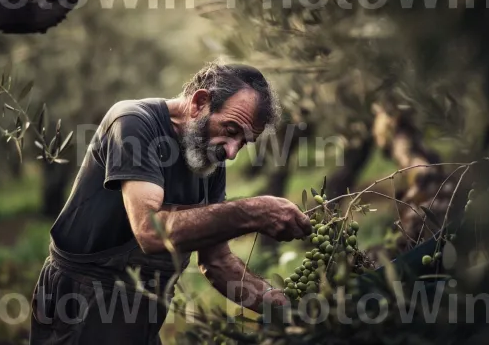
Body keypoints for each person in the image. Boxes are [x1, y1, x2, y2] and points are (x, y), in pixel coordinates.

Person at [29, 62, 313, 345]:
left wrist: (288, 310)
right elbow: (151, 232)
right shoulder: (133, 122)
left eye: (243, 142)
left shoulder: (208, 156)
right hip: (81, 307)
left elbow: (218, 261)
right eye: (230, 130)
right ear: (200, 102)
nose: (231, 151)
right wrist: (253, 212)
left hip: (142, 315)